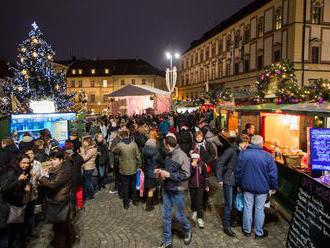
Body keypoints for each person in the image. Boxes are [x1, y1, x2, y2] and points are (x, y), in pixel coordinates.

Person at [235, 135, 278, 239]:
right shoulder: (268, 156)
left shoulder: (243, 154)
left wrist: (238, 184)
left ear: (251, 143)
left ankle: (247, 230)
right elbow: (273, 174)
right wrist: (274, 186)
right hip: (262, 188)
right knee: (259, 209)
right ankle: (258, 232)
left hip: (247, 186)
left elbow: (238, 171)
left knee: (248, 208)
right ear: (261, 143)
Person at [156, 134, 192, 248]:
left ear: (167, 144)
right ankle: (167, 241)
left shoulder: (182, 155)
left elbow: (186, 174)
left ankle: (187, 230)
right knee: (166, 215)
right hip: (168, 188)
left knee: (179, 215)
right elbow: (169, 170)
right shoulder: (169, 154)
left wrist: (169, 174)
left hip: (178, 190)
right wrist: (161, 173)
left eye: (164, 144)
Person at [38, 150, 75, 248]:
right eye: (51, 159)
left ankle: (62, 244)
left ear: (61, 160)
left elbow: (53, 184)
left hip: (61, 201)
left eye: (54, 159)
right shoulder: (62, 167)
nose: (52, 161)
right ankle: (68, 241)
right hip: (59, 200)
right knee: (62, 225)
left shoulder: (65, 169)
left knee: (61, 227)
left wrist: (41, 178)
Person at [216, 135, 249, 237]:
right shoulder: (231, 150)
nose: (247, 145)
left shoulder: (241, 151)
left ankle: (231, 220)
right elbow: (220, 163)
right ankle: (226, 227)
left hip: (236, 181)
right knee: (229, 204)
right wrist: (220, 178)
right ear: (240, 143)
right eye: (245, 143)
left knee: (234, 203)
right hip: (228, 180)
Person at [1, 154, 31, 248]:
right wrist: (18, 180)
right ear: (18, 162)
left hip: (16, 206)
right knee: (6, 235)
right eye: (23, 163)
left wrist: (27, 185)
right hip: (7, 206)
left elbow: (21, 186)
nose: (26, 165)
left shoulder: (22, 171)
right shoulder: (11, 171)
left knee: (13, 233)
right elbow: (4, 189)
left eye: (28, 163)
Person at [112, 129, 141, 209]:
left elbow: (113, 150)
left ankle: (126, 203)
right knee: (133, 184)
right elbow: (138, 155)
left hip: (124, 168)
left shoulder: (120, 145)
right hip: (133, 167)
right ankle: (135, 200)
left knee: (125, 186)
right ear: (128, 135)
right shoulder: (134, 144)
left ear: (121, 136)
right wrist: (139, 165)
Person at [24, 149, 42, 239]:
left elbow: (41, 174)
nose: (31, 155)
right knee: (24, 214)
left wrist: (39, 177)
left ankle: (31, 232)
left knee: (31, 213)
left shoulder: (38, 163)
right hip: (25, 194)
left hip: (34, 191)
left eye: (32, 153)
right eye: (28, 154)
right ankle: (24, 234)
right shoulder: (23, 164)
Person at [142, 129, 161, 211]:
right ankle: (148, 205)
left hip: (147, 169)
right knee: (152, 188)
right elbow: (158, 160)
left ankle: (151, 202)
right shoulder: (156, 150)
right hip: (154, 170)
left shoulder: (145, 148)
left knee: (150, 188)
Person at [189, 151, 209, 229]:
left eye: (196, 158)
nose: (195, 159)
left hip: (200, 186)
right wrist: (193, 168)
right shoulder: (189, 164)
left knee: (199, 201)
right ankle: (194, 211)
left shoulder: (202, 164)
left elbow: (206, 175)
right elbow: (188, 174)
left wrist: (206, 185)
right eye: (193, 157)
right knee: (193, 200)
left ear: (198, 157)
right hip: (191, 185)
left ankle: (200, 217)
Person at [79, 136, 98, 200]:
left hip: (89, 167)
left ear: (88, 142)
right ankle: (86, 194)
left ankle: (91, 194)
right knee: (87, 181)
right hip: (88, 167)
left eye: (84, 142)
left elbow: (84, 158)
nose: (83, 143)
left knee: (87, 182)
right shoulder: (89, 148)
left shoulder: (92, 149)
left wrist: (82, 151)